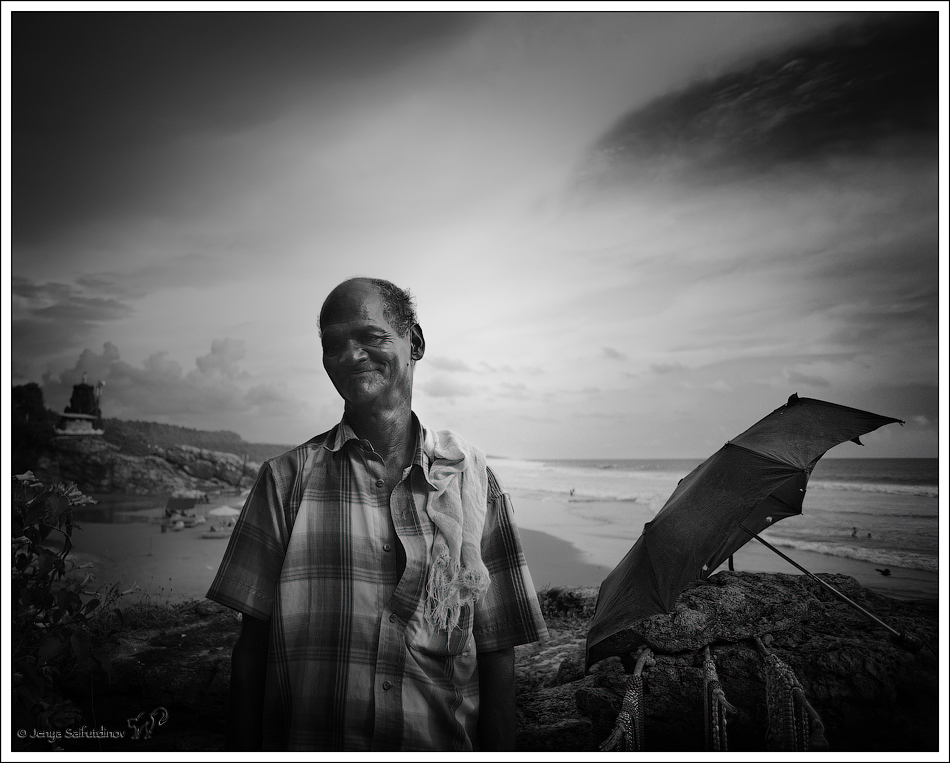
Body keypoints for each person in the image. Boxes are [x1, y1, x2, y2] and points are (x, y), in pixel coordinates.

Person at [207, 277, 547, 751]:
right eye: (333, 345)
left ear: (416, 343)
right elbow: (251, 650)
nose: (349, 356)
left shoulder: (472, 483)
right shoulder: (285, 481)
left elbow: (497, 651)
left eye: (371, 336)